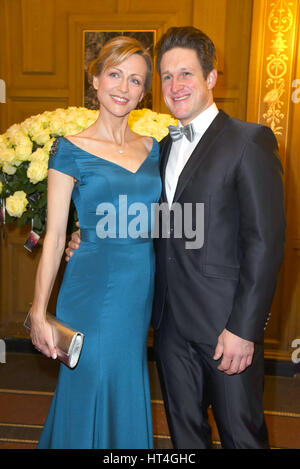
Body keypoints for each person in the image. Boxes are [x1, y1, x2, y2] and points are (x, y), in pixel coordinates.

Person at [66, 27, 286, 449]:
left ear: (211, 78)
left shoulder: (248, 140)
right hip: (169, 327)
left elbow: (266, 242)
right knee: (186, 440)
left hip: (227, 330)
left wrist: (244, 328)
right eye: (166, 76)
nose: (175, 86)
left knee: (243, 438)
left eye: (185, 74)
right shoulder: (159, 148)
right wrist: (87, 235)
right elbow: (148, 220)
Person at [28, 36, 161, 449]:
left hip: (139, 288)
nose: (124, 87)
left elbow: (165, 220)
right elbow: (52, 237)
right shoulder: (69, 151)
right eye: (116, 74)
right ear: (96, 79)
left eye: (135, 80)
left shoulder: (155, 148)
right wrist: (38, 311)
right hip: (92, 290)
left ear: (143, 92)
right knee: (93, 381)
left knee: (125, 378)